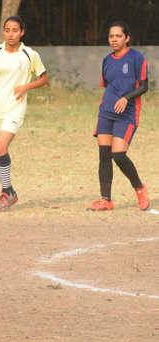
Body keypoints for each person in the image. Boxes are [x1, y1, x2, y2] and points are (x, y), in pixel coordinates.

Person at [0, 16, 48, 211]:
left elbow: (44, 78)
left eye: (15, 30)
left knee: (1, 148)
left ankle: (7, 192)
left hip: (15, 107)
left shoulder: (29, 54)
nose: (10, 34)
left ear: (22, 32)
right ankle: (9, 191)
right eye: (7, 30)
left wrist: (27, 86)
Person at [88, 21, 150, 211]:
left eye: (118, 36)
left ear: (127, 38)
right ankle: (105, 199)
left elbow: (144, 86)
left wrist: (126, 98)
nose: (114, 39)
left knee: (119, 154)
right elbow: (108, 85)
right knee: (104, 155)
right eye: (111, 36)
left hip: (127, 114)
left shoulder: (137, 58)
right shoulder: (107, 60)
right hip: (106, 112)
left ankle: (139, 188)